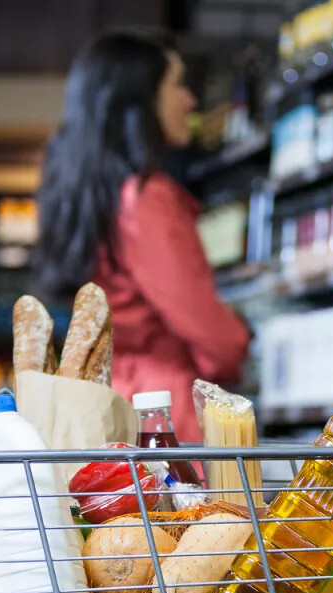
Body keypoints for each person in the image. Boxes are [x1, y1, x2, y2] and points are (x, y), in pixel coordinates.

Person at [34, 30, 250, 444]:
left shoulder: (85, 195)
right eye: (178, 85)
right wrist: (240, 336)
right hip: (163, 410)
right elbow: (208, 329)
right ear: (138, 102)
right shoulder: (146, 199)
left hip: (105, 399)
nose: (190, 100)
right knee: (181, 507)